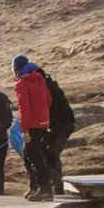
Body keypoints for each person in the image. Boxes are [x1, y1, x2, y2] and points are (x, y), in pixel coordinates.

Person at [12, 55, 53, 201]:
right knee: (29, 153)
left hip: (33, 125)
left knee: (35, 157)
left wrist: (24, 130)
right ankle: (35, 186)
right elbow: (49, 100)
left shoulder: (21, 84)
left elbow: (24, 109)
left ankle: (45, 189)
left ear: (16, 69)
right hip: (44, 122)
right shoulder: (40, 79)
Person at [41, 64, 77, 197]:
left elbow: (53, 110)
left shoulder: (50, 89)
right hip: (56, 125)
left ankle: (57, 187)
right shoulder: (50, 87)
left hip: (63, 125)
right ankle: (53, 185)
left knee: (53, 152)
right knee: (46, 151)